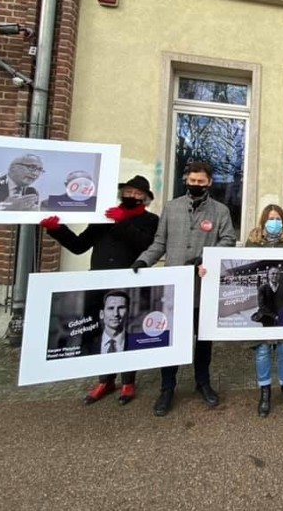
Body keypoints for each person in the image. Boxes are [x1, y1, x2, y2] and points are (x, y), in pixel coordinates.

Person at [40, 175, 159, 405]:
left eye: (137, 193)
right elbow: (79, 245)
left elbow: (147, 246)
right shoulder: (103, 217)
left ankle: (128, 381)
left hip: (129, 282)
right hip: (99, 282)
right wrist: (57, 229)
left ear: (145, 198)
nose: (131, 196)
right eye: (128, 191)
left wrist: (122, 223)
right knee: (100, 330)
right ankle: (105, 379)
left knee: (127, 330)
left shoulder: (150, 220)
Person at [132, 161, 236, 417]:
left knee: (203, 339)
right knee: (172, 340)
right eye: (193, 180)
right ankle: (167, 387)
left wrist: (208, 257)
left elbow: (228, 240)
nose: (196, 185)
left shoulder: (220, 210)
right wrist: (144, 260)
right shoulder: (172, 207)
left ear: (210, 182)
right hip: (174, 287)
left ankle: (203, 382)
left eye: (201, 181)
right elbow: (160, 242)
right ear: (186, 180)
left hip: (203, 285)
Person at [245, 204, 283, 417]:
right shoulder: (252, 242)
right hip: (266, 314)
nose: (274, 222)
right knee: (262, 351)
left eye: (278, 218)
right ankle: (265, 391)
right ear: (263, 221)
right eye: (270, 218)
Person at [86, 290, 130, 355]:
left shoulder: (137, 344)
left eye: (121, 308)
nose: (116, 314)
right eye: (111, 308)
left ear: (128, 313)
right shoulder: (87, 348)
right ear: (101, 314)